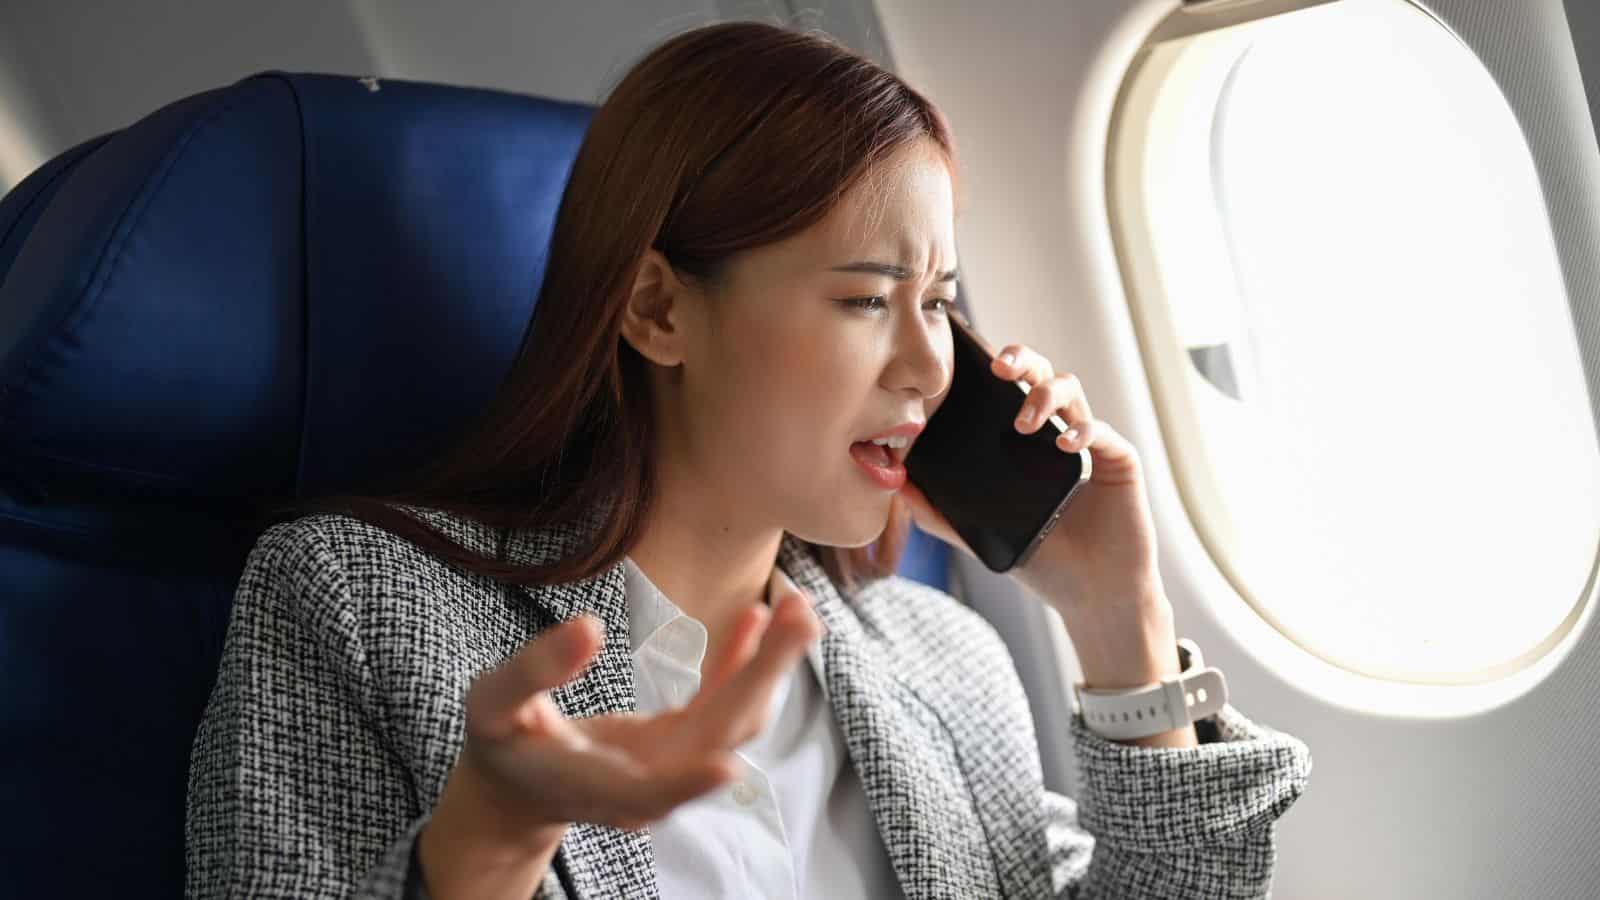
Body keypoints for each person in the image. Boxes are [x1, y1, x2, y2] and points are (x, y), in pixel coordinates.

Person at [184, 20, 1311, 900]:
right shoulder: (357, 602)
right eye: (868, 298)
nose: (930, 366)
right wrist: (483, 850)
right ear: (659, 309)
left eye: (942, 302)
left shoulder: (943, 661)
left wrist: (1118, 621)